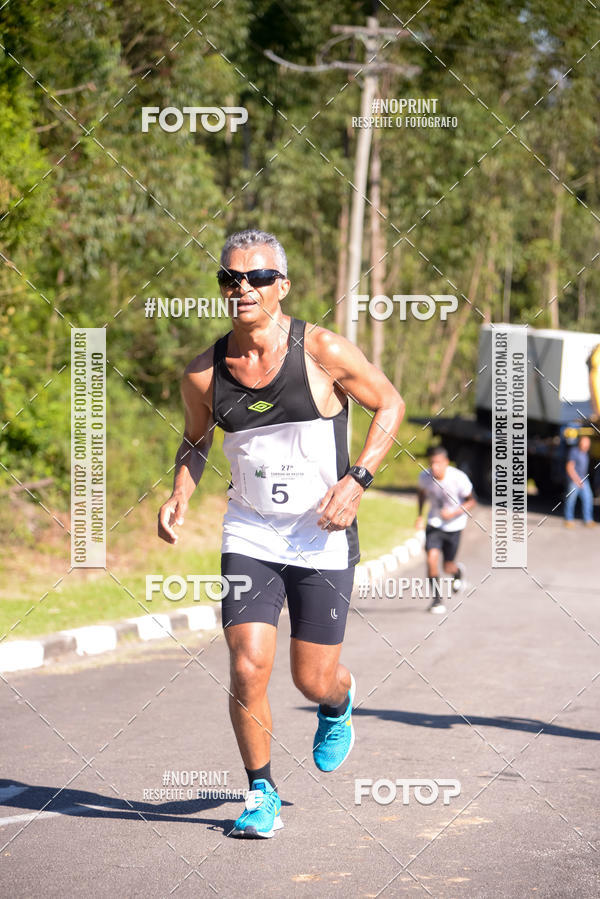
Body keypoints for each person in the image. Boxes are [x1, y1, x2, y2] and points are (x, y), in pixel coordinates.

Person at [157, 229, 405, 838]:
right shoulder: (203, 372)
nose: (243, 288)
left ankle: (337, 700)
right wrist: (179, 492)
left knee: (310, 677)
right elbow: (195, 441)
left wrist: (358, 480)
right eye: (231, 278)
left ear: (282, 286)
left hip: (321, 534)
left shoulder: (320, 350)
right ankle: (260, 791)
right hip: (250, 534)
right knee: (247, 667)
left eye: (258, 277)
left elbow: (391, 403)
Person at [416, 446, 475, 614]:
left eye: (438, 463)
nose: (435, 467)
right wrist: (420, 515)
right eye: (432, 463)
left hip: (454, 526)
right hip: (434, 524)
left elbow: (472, 501)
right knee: (431, 560)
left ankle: (457, 572)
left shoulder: (458, 478)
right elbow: (421, 494)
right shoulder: (424, 477)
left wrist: (453, 513)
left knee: (447, 566)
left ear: (446, 463)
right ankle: (436, 600)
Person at [564, 435, 595, 527]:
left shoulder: (585, 453)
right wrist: (576, 480)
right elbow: (569, 467)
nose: (587, 445)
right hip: (574, 480)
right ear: (580, 442)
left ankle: (588, 520)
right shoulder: (574, 452)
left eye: (588, 443)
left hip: (584, 480)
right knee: (571, 500)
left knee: (588, 498)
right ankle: (568, 519)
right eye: (585, 442)